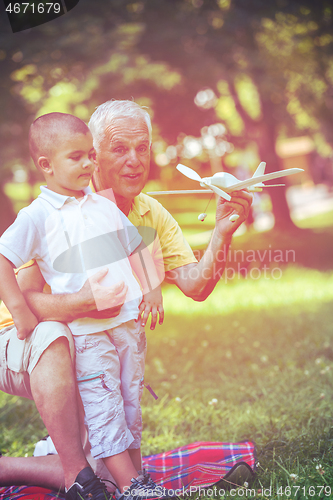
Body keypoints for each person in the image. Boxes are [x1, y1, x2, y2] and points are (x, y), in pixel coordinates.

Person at [0, 100, 253, 499]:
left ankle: (104, 472)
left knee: (120, 422)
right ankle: (75, 470)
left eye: (143, 147)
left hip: (94, 338)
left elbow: (193, 285)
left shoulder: (140, 211)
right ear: (94, 155)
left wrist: (221, 233)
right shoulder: (53, 214)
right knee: (96, 418)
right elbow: (29, 300)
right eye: (119, 149)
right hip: (28, 341)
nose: (135, 161)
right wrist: (84, 302)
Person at [0, 112, 168, 500]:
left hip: (127, 325)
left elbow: (138, 242)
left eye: (91, 155)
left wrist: (152, 288)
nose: (89, 164)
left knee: (129, 402)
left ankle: (135, 479)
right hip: (87, 333)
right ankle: (128, 485)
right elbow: (4, 260)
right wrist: (21, 311)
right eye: (77, 157)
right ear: (46, 165)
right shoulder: (36, 217)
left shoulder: (102, 205)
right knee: (103, 405)